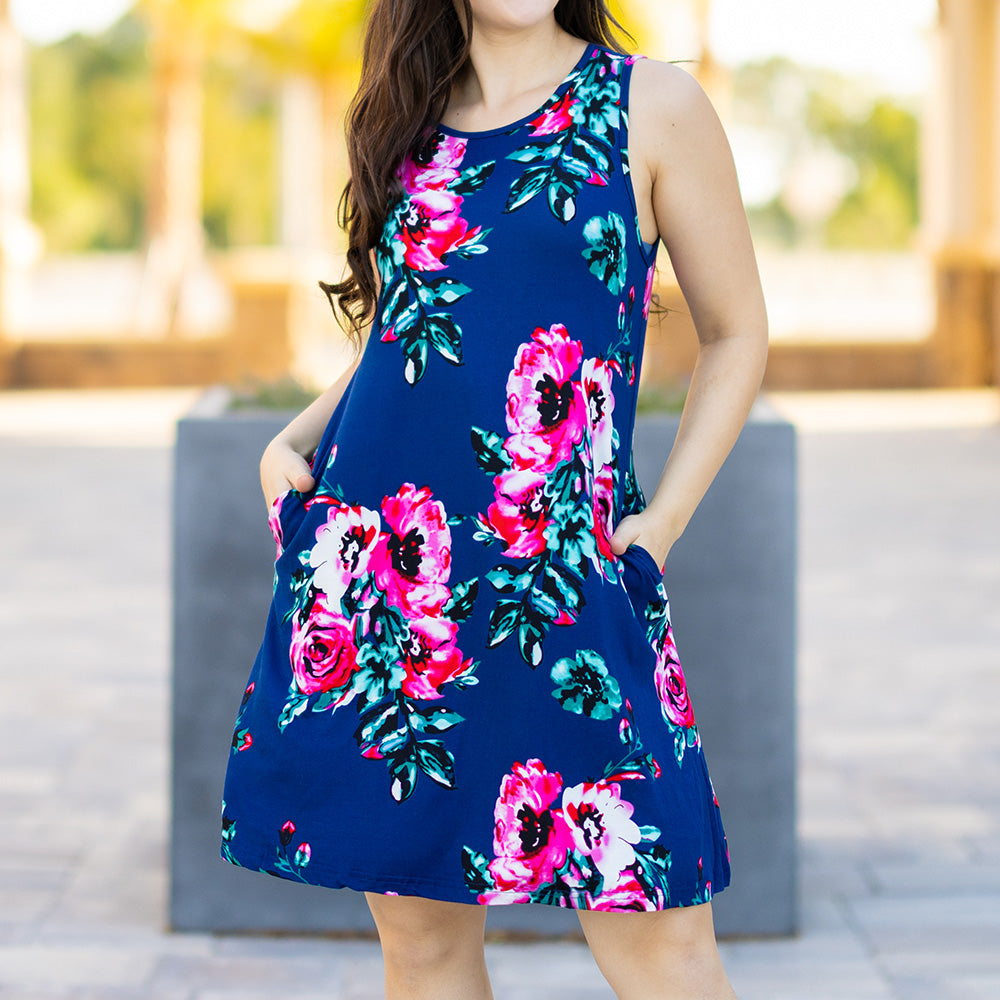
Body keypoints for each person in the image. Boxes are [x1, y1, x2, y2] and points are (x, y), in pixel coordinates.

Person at [220, 1, 768, 997]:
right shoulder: (405, 116)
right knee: (422, 944)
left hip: (566, 580)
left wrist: (664, 523)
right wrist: (291, 440)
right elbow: (408, 324)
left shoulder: (652, 104)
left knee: (663, 949)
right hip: (390, 583)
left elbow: (736, 332)